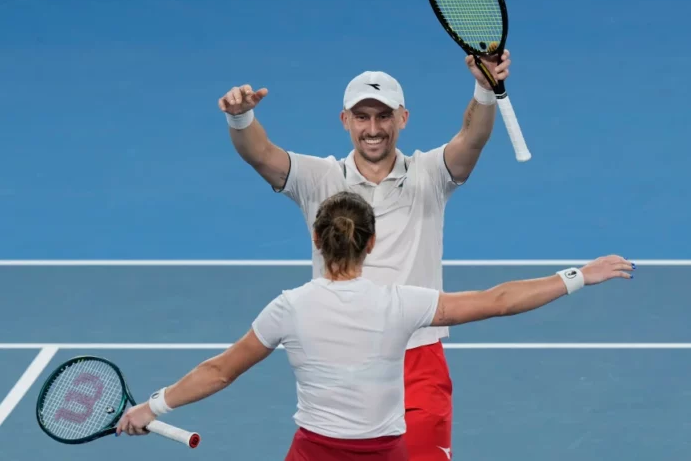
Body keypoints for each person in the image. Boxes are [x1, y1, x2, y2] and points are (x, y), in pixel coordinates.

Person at [117, 191, 635, 460]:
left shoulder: (288, 308)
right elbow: (497, 301)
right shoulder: (400, 304)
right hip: (386, 455)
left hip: (314, 454)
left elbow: (220, 371)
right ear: (370, 243)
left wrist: (151, 407)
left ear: (317, 241)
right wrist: (578, 276)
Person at [214, 51, 510, 460]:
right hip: (343, 359)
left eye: (384, 116)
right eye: (362, 117)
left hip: (417, 358)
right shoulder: (319, 177)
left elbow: (472, 138)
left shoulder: (430, 173)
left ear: (403, 118)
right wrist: (240, 118)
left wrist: (484, 88)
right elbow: (260, 154)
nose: (373, 129)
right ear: (345, 120)